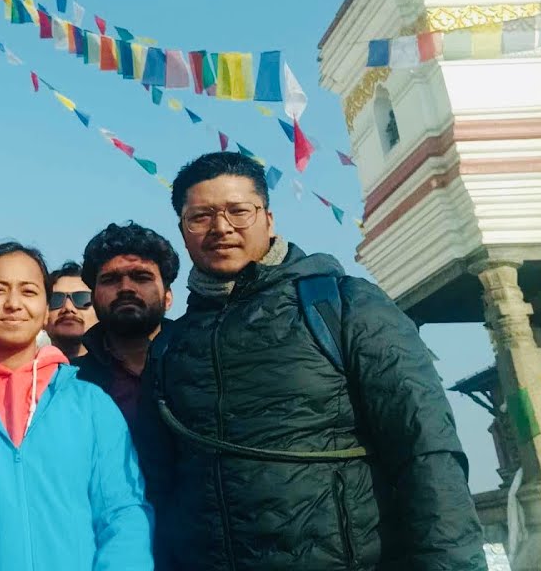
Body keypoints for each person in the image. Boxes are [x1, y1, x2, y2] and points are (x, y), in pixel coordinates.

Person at [136, 151, 485, 570]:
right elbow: (160, 483)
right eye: (201, 217)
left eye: (239, 211)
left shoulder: (345, 305)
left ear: (269, 219)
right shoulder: (171, 345)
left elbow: (426, 448)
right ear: (183, 230)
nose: (221, 227)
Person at [0, 242, 153, 570]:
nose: (13, 303)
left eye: (29, 291)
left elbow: (123, 513)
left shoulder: (91, 405)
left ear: (46, 310)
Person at [74, 222, 179, 427]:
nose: (126, 288)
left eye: (141, 277)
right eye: (110, 279)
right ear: (93, 298)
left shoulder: (203, 365)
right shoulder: (69, 381)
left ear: (168, 297)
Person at [42, 261, 97, 359]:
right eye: (56, 299)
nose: (68, 307)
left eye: (81, 298)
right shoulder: (24, 367)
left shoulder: (122, 366)